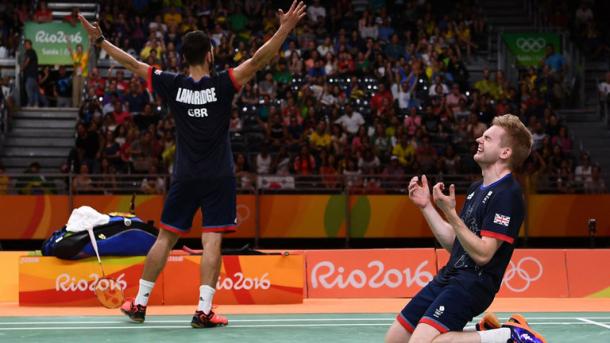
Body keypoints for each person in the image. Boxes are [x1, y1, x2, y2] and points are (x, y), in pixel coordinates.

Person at [78, 1, 306, 328]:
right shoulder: (224, 83)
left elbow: (131, 63)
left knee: (165, 239)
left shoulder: (171, 84)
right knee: (211, 241)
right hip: (218, 176)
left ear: (183, 58)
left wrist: (100, 42)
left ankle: (140, 304)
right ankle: (203, 310)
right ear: (210, 55)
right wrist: (285, 27)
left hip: (185, 176)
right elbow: (259, 59)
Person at [385, 114, 547, 343]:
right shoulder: (476, 188)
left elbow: (483, 254)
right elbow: (458, 245)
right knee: (394, 340)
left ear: (505, 152)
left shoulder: (507, 194)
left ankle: (509, 336)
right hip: (449, 277)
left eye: (488, 138)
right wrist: (427, 207)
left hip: (473, 283)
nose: (479, 139)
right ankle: (486, 331)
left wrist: (451, 213)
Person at [67, 36, 89, 107]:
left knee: (81, 91)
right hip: (76, 75)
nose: (79, 50)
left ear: (82, 49)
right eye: (78, 49)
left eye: (80, 48)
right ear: (76, 49)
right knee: (75, 91)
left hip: (83, 75)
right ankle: (75, 106)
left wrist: (90, 40)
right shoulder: (75, 56)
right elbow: (70, 50)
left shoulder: (85, 55)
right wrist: (68, 41)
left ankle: (81, 106)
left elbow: (89, 49)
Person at [21, 39, 39, 107]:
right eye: (24, 44)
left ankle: (30, 103)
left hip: (30, 75)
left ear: (29, 45)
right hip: (33, 75)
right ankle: (35, 104)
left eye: (26, 44)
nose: (25, 46)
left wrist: (21, 68)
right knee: (34, 90)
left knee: (29, 88)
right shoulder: (32, 52)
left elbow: (27, 61)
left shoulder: (30, 51)